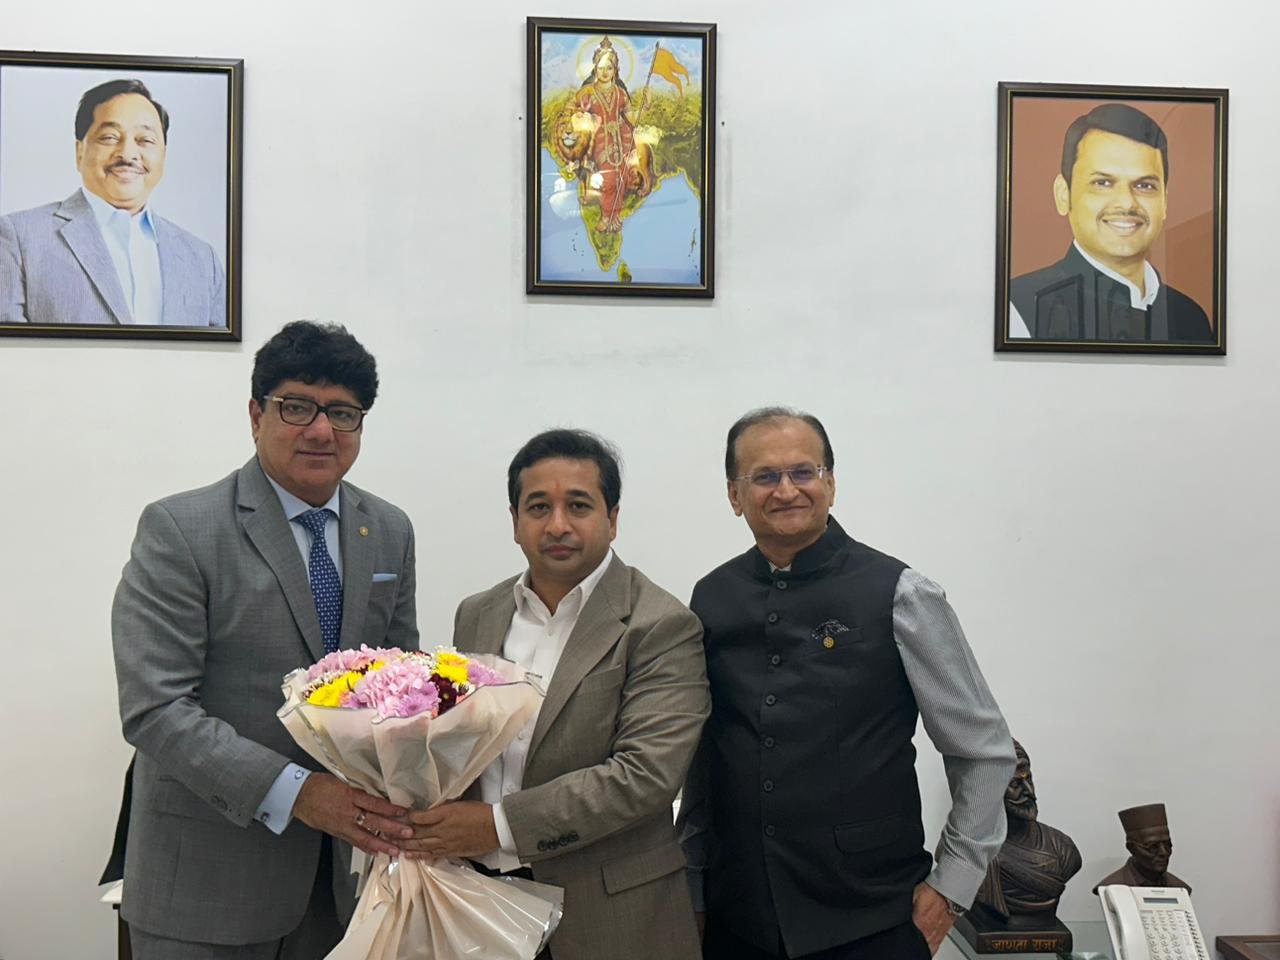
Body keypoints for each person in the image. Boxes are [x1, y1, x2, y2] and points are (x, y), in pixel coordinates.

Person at [111, 320, 419, 959]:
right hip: (206, 883)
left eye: (342, 413)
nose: (321, 430)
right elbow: (156, 709)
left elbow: (400, 683)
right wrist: (301, 793)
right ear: (256, 415)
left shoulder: (389, 530)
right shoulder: (181, 528)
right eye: (297, 407)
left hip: (343, 886)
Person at [679, 407, 1016, 959]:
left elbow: (983, 749)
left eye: (803, 472)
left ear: (830, 484)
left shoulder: (902, 593)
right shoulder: (711, 597)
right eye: (764, 476)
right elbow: (703, 760)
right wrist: (692, 881)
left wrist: (952, 887)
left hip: (873, 915)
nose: (786, 490)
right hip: (738, 915)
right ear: (734, 495)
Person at [401, 428, 708, 960]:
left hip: (610, 918)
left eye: (579, 506)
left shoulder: (660, 623)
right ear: (515, 521)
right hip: (479, 906)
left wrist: (496, 827)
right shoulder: (478, 613)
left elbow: (645, 775)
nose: (558, 525)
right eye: (539, 506)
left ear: (613, 519)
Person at [0, 78, 226, 326]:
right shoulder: (18, 238)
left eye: (145, 140)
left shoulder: (203, 260)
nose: (127, 154)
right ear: (79, 151)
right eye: (109, 137)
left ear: (163, 155)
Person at [1008, 103, 1213, 343]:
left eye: (1144, 185)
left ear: (1164, 202)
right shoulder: (1018, 308)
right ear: (1063, 195)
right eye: (1103, 183)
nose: (1126, 203)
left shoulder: (1191, 318)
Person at [550, 37, 653, 232]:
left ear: (615, 70)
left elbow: (631, 118)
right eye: (601, 68)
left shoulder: (620, 93)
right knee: (608, 175)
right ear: (595, 69)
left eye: (609, 68)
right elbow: (571, 110)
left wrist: (645, 106)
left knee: (623, 173)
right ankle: (607, 216)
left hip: (621, 137)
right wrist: (579, 118)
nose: (605, 72)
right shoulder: (587, 92)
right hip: (596, 139)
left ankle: (615, 216)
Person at [971, 740, 1081, 919]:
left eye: (1029, 779)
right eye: (1015, 784)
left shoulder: (1062, 847)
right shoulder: (969, 848)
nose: (1029, 791)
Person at [1093, 803, 1191, 893]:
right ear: (1132, 848)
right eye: (1153, 847)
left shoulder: (1179, 888)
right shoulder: (1111, 887)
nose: (1164, 852)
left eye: (1167, 845)